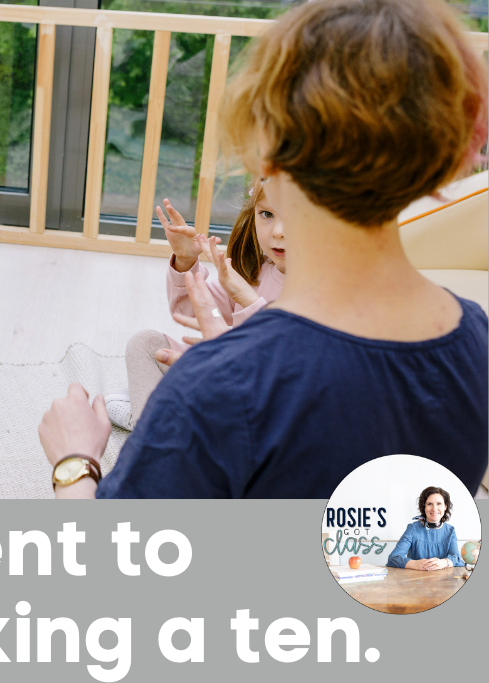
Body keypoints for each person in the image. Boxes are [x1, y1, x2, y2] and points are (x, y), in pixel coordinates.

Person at [40, 0, 488, 499]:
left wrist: (74, 461)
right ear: (447, 151)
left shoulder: (220, 388)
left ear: (269, 148)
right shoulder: (476, 338)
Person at [106, 183, 284, 430]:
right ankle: (148, 420)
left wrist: (248, 301)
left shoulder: (326, 290)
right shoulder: (254, 269)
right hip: (219, 380)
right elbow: (189, 312)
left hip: (264, 403)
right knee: (145, 342)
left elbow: (283, 366)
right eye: (267, 214)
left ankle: (150, 419)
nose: (278, 231)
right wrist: (186, 260)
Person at [386, 487, 464, 570]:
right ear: (424, 507)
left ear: (445, 506)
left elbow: (457, 559)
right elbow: (393, 558)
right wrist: (415, 564)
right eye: (429, 504)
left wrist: (443, 562)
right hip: (416, 580)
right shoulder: (412, 529)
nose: (434, 509)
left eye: (439, 504)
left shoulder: (450, 531)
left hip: (443, 580)